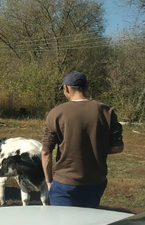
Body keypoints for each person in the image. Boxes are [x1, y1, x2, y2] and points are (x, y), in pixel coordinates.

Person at [41, 71, 124, 208]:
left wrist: (49, 181)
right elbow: (118, 147)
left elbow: (46, 152)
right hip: (95, 181)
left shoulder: (56, 113)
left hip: (64, 183)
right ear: (86, 87)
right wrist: (94, 149)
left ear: (66, 88)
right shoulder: (106, 111)